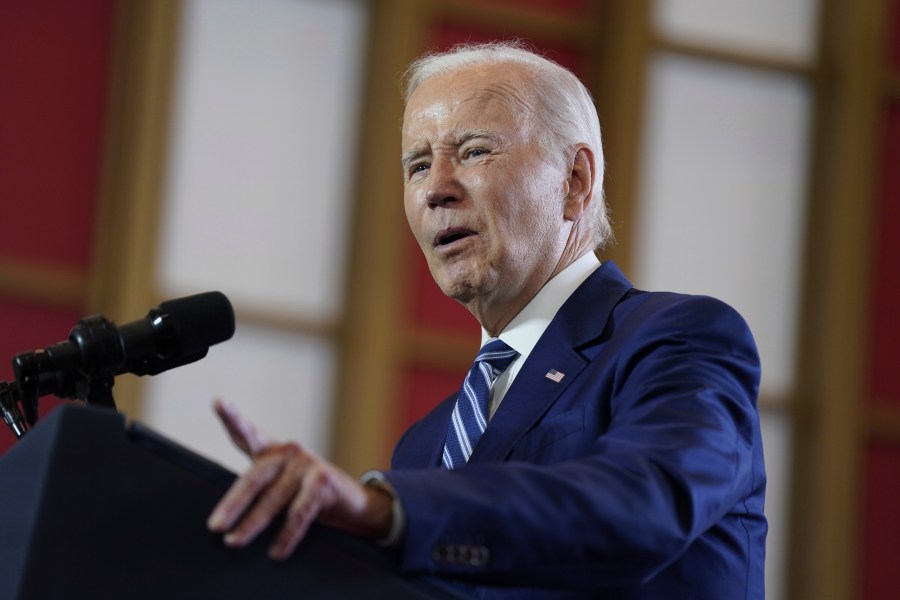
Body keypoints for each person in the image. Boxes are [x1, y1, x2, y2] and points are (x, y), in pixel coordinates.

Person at [206, 41, 766, 599]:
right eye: (418, 165)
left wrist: (381, 510)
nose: (434, 189)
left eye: (473, 152)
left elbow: (643, 506)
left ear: (574, 180)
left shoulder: (681, 338)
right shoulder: (424, 447)